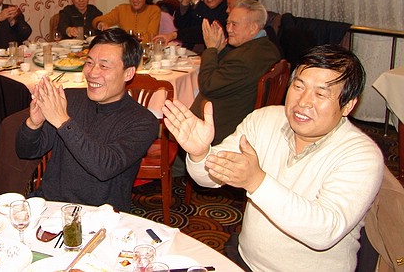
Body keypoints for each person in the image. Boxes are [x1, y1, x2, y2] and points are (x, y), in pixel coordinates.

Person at [163, 44, 384, 272]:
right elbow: (209, 178)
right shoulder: (264, 120)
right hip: (245, 262)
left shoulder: (361, 155)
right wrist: (200, 154)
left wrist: (256, 182)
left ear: (348, 105)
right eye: (298, 86)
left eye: (320, 94)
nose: (303, 102)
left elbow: (324, 231)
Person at [16, 28, 159, 212]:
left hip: (100, 215)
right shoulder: (70, 98)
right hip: (51, 206)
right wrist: (33, 124)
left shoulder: (143, 121)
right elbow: (26, 151)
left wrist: (62, 121)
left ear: (128, 73)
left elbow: (104, 167)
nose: (92, 73)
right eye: (89, 63)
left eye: (104, 66)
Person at [190, 0, 281, 144]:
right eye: (228, 23)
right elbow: (230, 73)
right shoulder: (267, 47)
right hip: (242, 109)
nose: (228, 29)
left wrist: (211, 49)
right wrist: (218, 50)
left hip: (223, 127)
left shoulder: (244, 59)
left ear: (253, 28)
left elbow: (207, 85)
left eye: (234, 24)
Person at [154, 0, 228, 49]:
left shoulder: (227, 8)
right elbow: (180, 25)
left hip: (211, 53)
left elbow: (202, 31)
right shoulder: (199, 6)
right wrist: (185, 2)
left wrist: (173, 35)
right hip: (189, 51)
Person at [92, 0, 161, 42]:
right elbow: (96, 21)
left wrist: (123, 38)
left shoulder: (154, 10)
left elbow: (150, 36)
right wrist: (100, 24)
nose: (135, 0)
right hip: (125, 48)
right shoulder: (121, 9)